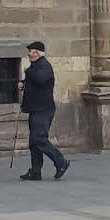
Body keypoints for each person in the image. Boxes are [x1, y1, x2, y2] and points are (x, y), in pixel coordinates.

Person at [18, 40, 69, 181]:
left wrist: (27, 72)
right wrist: (23, 84)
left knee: (39, 139)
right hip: (35, 109)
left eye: (31, 51)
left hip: (43, 110)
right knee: (33, 142)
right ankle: (35, 171)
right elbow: (34, 82)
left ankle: (61, 162)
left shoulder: (44, 66)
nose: (29, 54)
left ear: (37, 53)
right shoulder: (36, 66)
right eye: (29, 51)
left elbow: (40, 79)